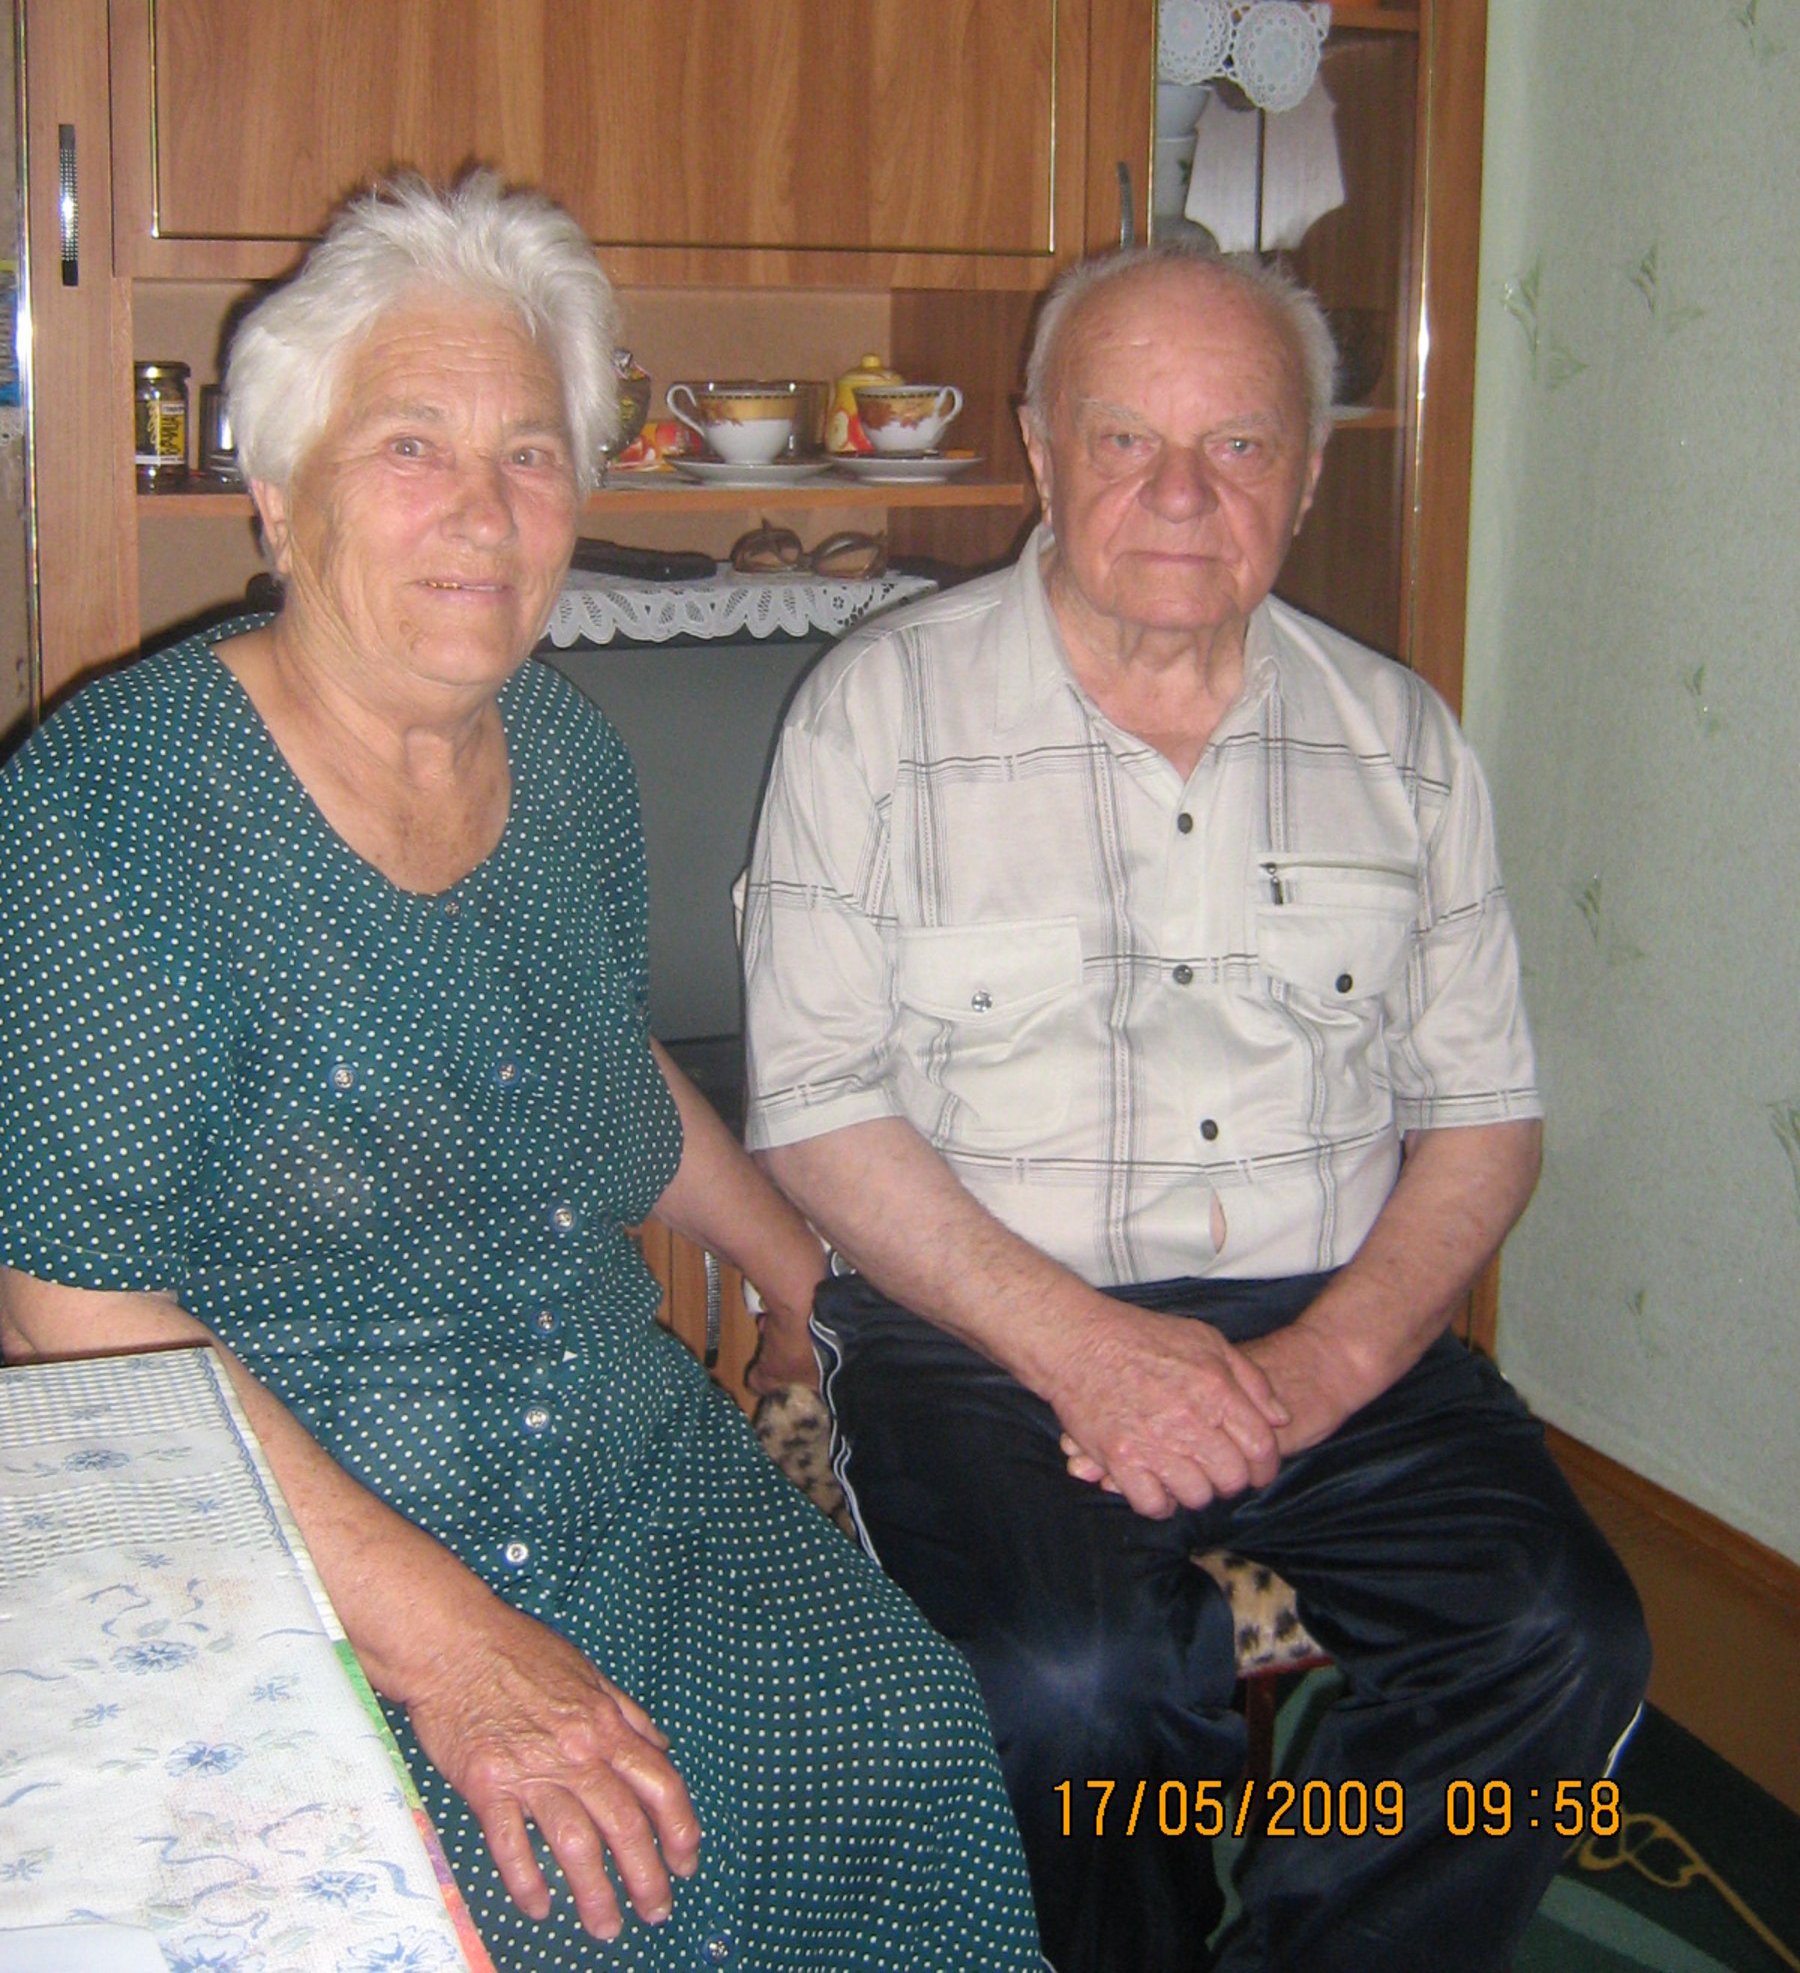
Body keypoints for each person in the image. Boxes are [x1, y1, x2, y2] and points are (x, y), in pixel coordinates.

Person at [0, 172, 1045, 1973]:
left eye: (531, 454)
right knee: (533, 1906)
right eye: (411, 444)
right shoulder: (117, 805)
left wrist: (803, 1271)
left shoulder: (564, 758)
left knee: (904, 1739)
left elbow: (596, 1073)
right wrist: (455, 1653)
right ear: (280, 489)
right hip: (295, 1517)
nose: (482, 513)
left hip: (621, 1469)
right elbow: (68, 1302)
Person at [741, 243, 1651, 1973]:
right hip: (984, 1325)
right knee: (1077, 1684)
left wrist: (1320, 1368)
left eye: (1237, 445)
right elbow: (817, 1108)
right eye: (1124, 440)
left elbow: (1484, 1118)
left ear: (1303, 476)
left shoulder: (1402, 740)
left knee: (1560, 1636)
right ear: (1040, 451)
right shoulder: (876, 717)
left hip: (1329, 1319)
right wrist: (1088, 1351)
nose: (1180, 494)